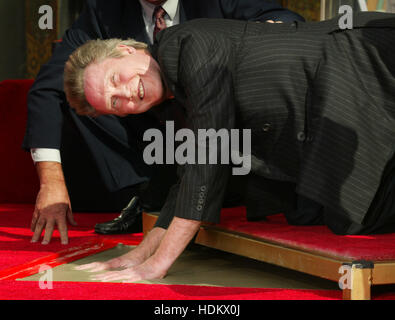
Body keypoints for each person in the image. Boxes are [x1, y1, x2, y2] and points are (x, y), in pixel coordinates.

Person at [64, 12, 395, 282]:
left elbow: (210, 149)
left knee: (362, 209)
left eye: (114, 80)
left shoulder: (187, 45)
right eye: (115, 103)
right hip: (328, 110)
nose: (126, 95)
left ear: (127, 50)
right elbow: (188, 175)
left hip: (360, 64)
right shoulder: (172, 97)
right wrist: (140, 253)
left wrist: (157, 265)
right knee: (349, 218)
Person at [23, 0, 304, 245]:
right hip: (156, 133)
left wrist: (256, 38)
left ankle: (225, 191)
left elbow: (287, 20)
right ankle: (144, 201)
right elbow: (48, 87)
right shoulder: (104, 8)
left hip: (224, 124)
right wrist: (51, 182)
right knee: (89, 94)